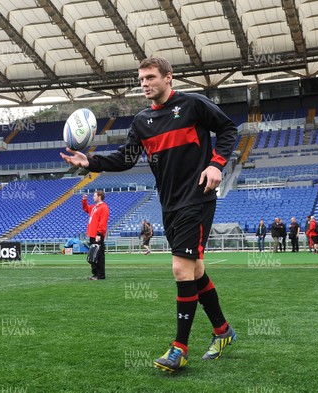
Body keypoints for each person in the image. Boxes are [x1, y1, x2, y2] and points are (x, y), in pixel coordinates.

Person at [61, 56, 237, 372]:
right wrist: (91, 163)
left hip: (196, 199)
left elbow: (227, 129)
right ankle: (223, 331)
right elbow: (125, 159)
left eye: (150, 77)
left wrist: (216, 163)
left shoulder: (194, 105)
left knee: (181, 271)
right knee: (194, 271)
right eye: (141, 79)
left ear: (169, 78)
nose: (144, 83)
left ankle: (179, 349)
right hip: (168, 204)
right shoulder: (141, 122)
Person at [82, 191, 109, 280]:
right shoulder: (94, 207)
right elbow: (86, 209)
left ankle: (100, 275)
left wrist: (99, 233)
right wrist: (84, 200)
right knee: (93, 255)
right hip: (92, 234)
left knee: (99, 255)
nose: (93, 197)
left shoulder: (104, 207)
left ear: (99, 197)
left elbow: (103, 221)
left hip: (97, 235)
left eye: (94, 196)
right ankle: (95, 273)